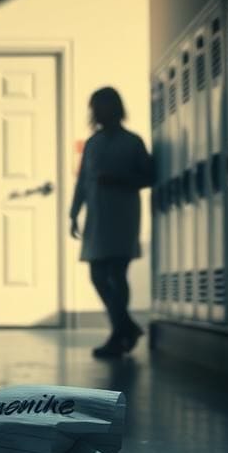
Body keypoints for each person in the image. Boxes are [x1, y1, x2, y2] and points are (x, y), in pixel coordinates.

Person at [70, 87, 154, 358]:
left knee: (117, 274)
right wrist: (73, 213)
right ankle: (125, 327)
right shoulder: (92, 143)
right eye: (95, 108)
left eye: (101, 106)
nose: (97, 113)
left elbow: (149, 176)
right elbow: (82, 182)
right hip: (97, 218)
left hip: (122, 216)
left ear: (114, 108)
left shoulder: (133, 142)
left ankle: (119, 335)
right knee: (97, 275)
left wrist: (119, 180)